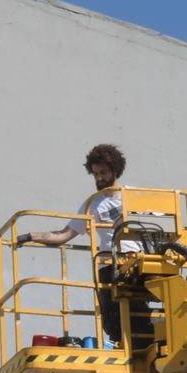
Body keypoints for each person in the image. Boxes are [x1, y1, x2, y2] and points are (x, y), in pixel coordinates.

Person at [17, 142, 139, 347]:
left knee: (141, 310)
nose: (99, 178)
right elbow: (64, 235)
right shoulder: (92, 204)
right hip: (109, 264)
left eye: (103, 172)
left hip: (137, 260)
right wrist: (31, 236)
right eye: (95, 174)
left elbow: (162, 221)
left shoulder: (135, 196)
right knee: (112, 322)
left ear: (115, 170)